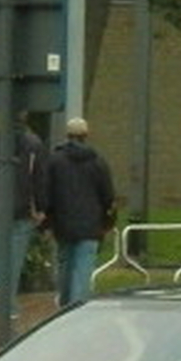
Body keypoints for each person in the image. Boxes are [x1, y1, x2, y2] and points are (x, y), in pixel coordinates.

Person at [41, 116, 118, 308]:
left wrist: (47, 223)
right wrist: (108, 222)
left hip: (63, 224)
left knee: (65, 266)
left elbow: (46, 193)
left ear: (67, 136)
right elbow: (108, 196)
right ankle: (76, 308)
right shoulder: (98, 162)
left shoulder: (54, 161)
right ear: (86, 135)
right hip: (91, 225)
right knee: (83, 269)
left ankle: (64, 303)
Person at [0, 114, 46, 311]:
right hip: (21, 211)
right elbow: (40, 178)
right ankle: (8, 306)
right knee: (14, 260)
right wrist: (41, 208)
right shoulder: (34, 144)